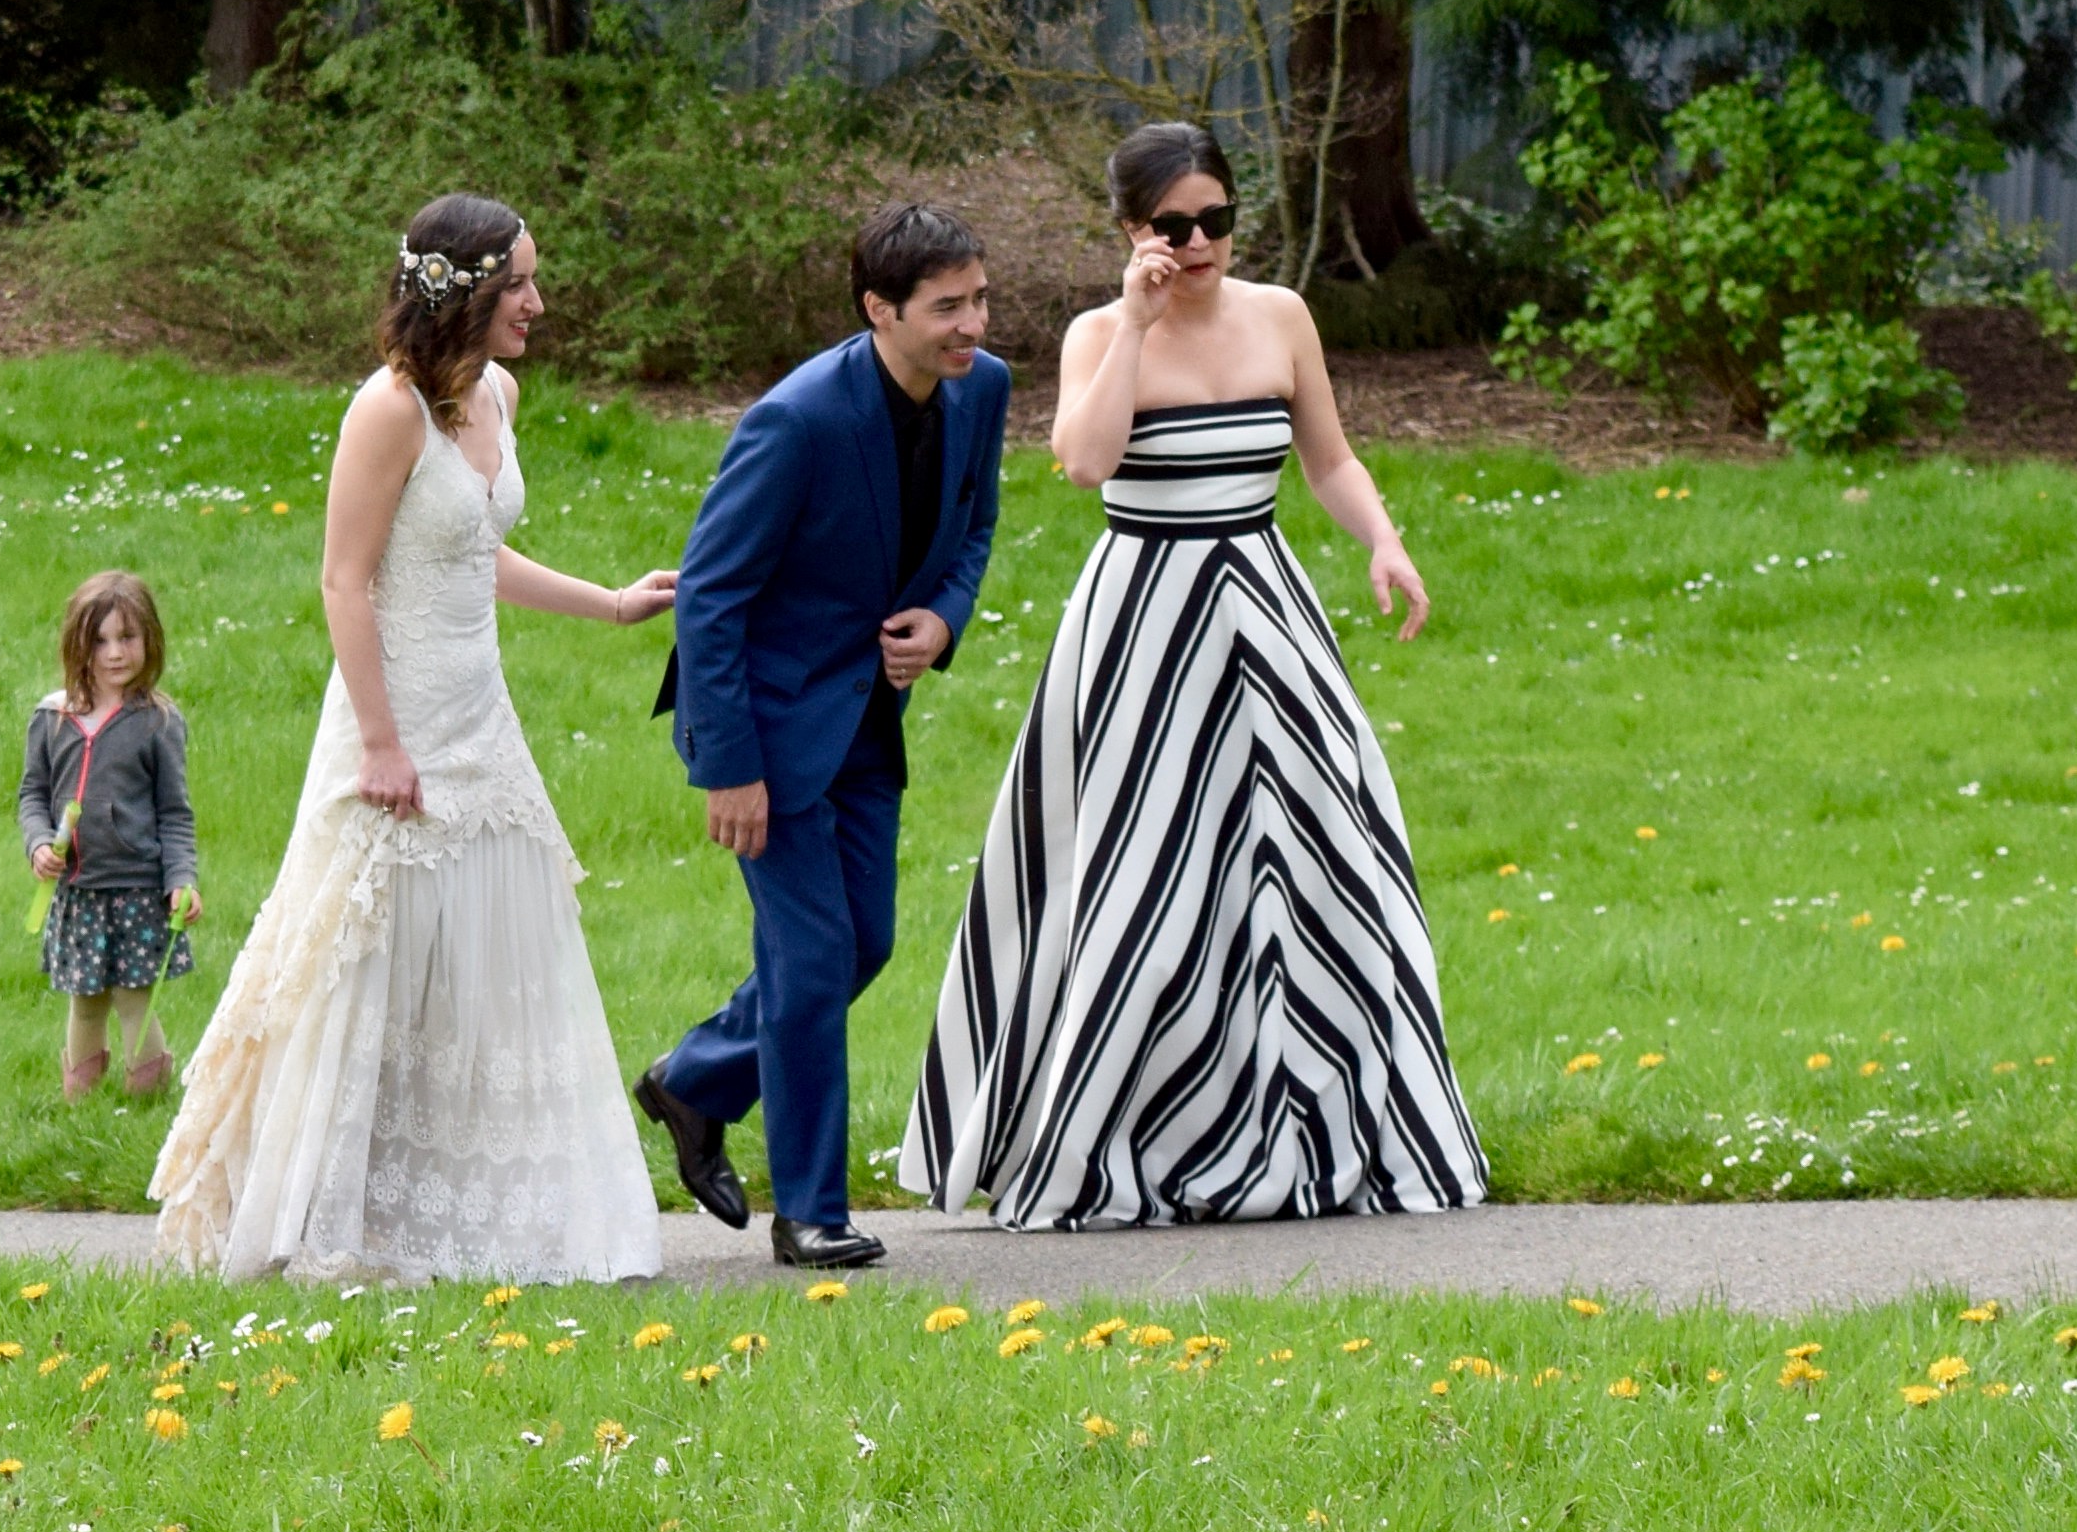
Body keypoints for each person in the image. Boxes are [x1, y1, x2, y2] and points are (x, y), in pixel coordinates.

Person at [898, 119, 1487, 1230]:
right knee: (1141, 871)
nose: (1200, 241)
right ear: (1132, 230)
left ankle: (1322, 1116)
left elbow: (1329, 457)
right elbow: (1085, 461)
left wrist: (1383, 540)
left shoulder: (1283, 315)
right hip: (1143, 624)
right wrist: (1134, 321)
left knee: (1326, 857)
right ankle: (1120, 1126)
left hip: (1266, 608)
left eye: (1217, 219)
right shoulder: (1096, 332)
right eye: (1174, 226)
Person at [150, 193, 679, 1283]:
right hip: (391, 722)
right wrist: (381, 745)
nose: (538, 302)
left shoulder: (498, 394)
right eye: (518, 284)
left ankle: (473, 1212)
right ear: (463, 293)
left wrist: (612, 603)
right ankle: (327, 1212)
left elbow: (473, 552)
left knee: (490, 964)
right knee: (361, 963)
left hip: (481, 717)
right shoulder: (387, 410)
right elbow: (345, 581)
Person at [635, 201, 1012, 1271]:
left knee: (866, 943)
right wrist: (730, 767)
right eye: (948, 307)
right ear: (879, 309)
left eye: (980, 299)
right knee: (809, 960)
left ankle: (694, 1081)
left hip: (868, 723)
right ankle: (810, 1212)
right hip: (767, 725)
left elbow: (975, 525)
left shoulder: (984, 388)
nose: (972, 324)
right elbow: (711, 593)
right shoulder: (795, 420)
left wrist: (944, 619)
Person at [22, 569, 202, 1102]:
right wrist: (38, 843)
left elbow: (174, 812)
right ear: (78, 644)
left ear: (150, 638)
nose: (116, 653)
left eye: (128, 637)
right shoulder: (52, 718)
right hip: (79, 892)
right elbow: (32, 794)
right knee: (85, 1000)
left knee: (132, 998)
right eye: (100, 641)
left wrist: (182, 879)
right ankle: (80, 1102)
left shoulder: (158, 722)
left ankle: (146, 1101)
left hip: (138, 891)